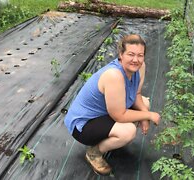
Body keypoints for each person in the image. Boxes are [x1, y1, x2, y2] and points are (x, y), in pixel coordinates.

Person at [64, 34, 161, 175]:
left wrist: (144, 116)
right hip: (83, 125)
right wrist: (148, 115)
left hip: (104, 115)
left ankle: (112, 139)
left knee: (144, 103)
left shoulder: (140, 67)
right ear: (121, 54)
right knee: (128, 131)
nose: (136, 60)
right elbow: (119, 115)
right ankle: (94, 153)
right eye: (131, 54)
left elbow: (137, 94)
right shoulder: (114, 76)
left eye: (140, 55)